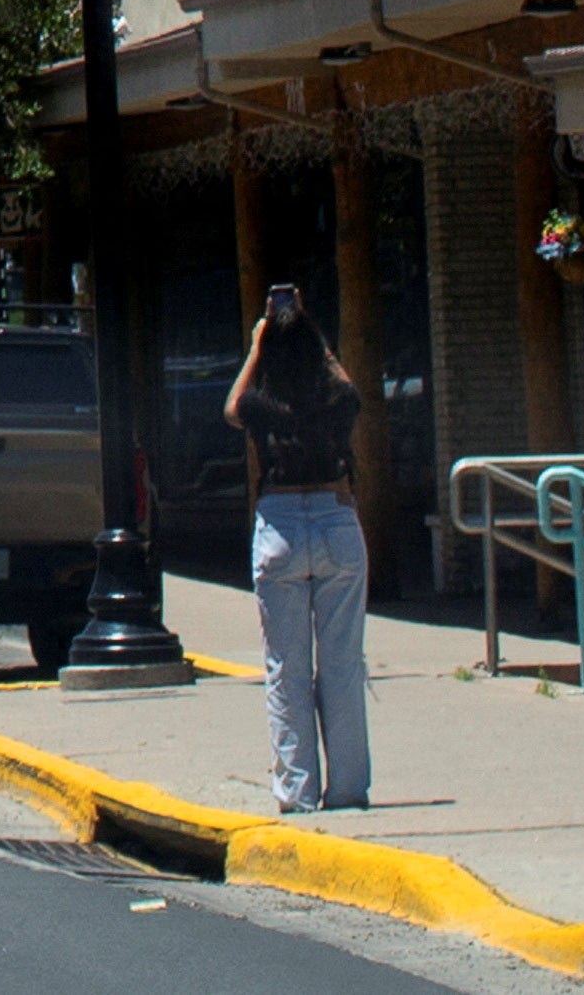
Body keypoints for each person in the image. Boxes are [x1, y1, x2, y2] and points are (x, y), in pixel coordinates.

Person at [228, 281, 371, 814]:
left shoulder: (263, 406)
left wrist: (259, 345)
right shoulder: (335, 399)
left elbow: (231, 407)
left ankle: (298, 790)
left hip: (281, 524)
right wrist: (313, 336)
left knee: (285, 669)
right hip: (335, 519)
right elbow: (349, 387)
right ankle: (350, 789)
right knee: (342, 665)